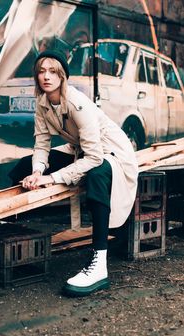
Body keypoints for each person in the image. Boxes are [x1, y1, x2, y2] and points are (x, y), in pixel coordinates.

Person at [9, 50, 138, 297]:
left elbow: (94, 157)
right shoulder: (43, 104)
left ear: (62, 76)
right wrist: (37, 171)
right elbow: (41, 145)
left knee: (96, 174)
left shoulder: (78, 104)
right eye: (41, 71)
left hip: (113, 152)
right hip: (82, 149)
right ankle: (8, 230)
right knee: (23, 166)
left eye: (53, 71)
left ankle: (98, 263)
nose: (46, 76)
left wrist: (51, 178)